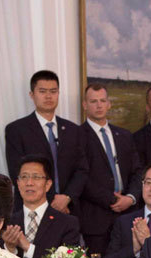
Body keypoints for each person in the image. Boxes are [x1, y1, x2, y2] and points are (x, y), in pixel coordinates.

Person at [5, 70, 89, 216]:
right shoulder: (17, 130)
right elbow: (17, 173)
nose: (48, 96)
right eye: (42, 91)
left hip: (69, 210)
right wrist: (53, 202)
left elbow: (81, 170)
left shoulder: (73, 130)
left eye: (53, 91)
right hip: (32, 210)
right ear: (32, 95)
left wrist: (66, 198)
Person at [79, 83, 143, 256]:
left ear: (109, 104)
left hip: (127, 214)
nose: (99, 105)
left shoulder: (124, 135)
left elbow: (137, 171)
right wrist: (112, 200)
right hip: (95, 218)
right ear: (85, 105)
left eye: (102, 101)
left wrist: (130, 198)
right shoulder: (77, 135)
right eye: (93, 101)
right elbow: (80, 176)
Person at [1, 154, 80, 258]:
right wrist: (10, 248)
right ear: (18, 184)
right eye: (24, 177)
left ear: (48, 184)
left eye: (36, 177)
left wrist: (27, 247)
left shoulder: (67, 223)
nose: (29, 183)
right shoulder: (6, 223)